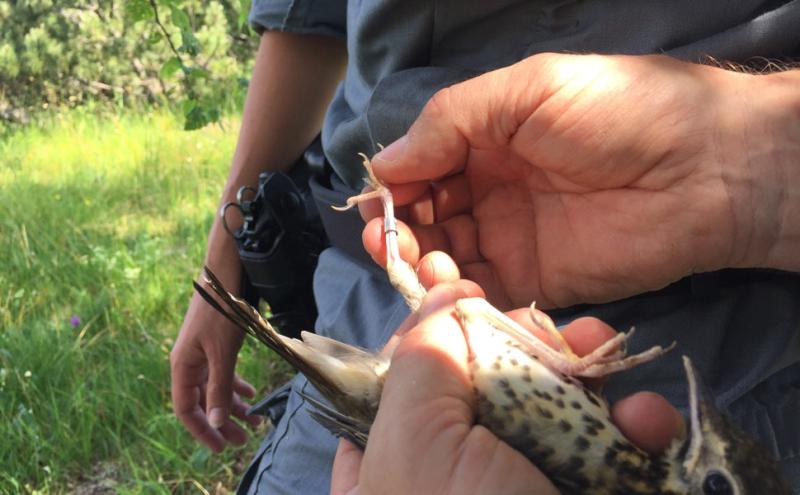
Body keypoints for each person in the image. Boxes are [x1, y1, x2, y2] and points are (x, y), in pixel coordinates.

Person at [170, 2, 800, 493]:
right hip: (371, 285)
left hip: (735, 331)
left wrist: (758, 159)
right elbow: (309, 23)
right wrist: (230, 246)